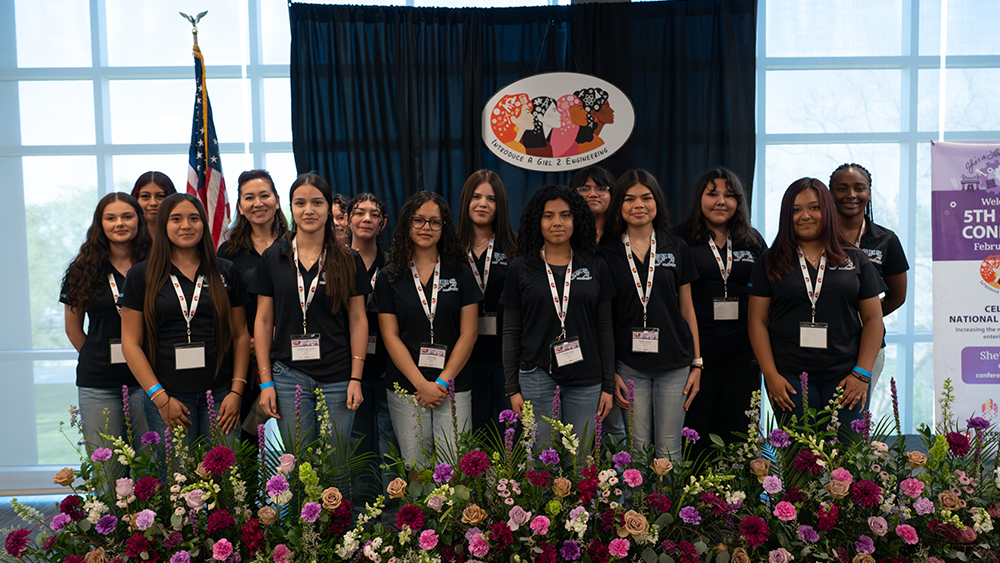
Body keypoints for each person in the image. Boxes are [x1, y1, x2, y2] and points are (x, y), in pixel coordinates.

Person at [747, 178, 884, 430]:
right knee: (801, 462)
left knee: (845, 462)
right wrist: (770, 375)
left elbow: (874, 320)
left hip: (845, 377)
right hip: (788, 378)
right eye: (796, 210)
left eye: (814, 208)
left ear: (827, 211)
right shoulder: (770, 260)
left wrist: (862, 373)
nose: (805, 216)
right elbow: (757, 320)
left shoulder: (854, 258)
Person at [119, 193, 251, 445]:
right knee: (175, 480)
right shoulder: (141, 274)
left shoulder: (225, 270)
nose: (186, 226)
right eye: (176, 219)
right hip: (169, 395)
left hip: (221, 394)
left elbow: (240, 334)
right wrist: (160, 398)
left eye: (194, 218)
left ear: (203, 223)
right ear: (163, 225)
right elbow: (131, 344)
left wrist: (236, 391)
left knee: (225, 479)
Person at [253, 173, 369, 447]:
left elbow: (358, 320)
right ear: (290, 207)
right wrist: (265, 382)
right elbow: (263, 320)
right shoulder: (273, 257)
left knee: (337, 466)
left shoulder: (349, 259)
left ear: (329, 208)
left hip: (339, 376)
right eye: (300, 203)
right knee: (300, 464)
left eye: (317, 202)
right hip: (287, 375)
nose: (309, 210)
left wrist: (356, 377)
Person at [502, 186, 615, 448]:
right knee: (540, 464)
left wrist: (608, 385)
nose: (557, 223)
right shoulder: (521, 268)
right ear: (537, 221)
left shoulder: (595, 265)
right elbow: (510, 331)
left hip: (586, 378)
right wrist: (512, 387)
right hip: (536, 375)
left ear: (576, 220)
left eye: (565, 215)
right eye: (548, 216)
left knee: (581, 461)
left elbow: (605, 328)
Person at [600, 170, 701, 461]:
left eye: (646, 197)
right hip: (629, 366)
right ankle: (637, 507)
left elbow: (687, 308)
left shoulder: (676, 247)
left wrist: (697, 362)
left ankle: (671, 508)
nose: (638, 204)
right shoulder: (606, 254)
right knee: (638, 448)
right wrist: (611, 372)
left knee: (670, 448)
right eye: (629, 199)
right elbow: (604, 320)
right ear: (619, 205)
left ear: (657, 202)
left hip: (676, 363)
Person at [375, 191, 481, 464]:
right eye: (419, 220)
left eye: (435, 222)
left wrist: (442, 382)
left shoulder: (461, 271)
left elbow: (469, 333)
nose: (426, 228)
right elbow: (390, 336)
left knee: (454, 468)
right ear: (407, 224)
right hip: (407, 385)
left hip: (453, 385)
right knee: (416, 469)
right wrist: (421, 384)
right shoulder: (389, 275)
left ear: (444, 227)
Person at [677, 169, 766, 448]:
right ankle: (697, 493)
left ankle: (740, 492)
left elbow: (768, 293)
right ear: (699, 198)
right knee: (697, 434)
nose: (721, 201)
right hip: (696, 357)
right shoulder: (680, 239)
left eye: (729, 195)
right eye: (712, 194)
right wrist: (694, 358)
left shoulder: (751, 240)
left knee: (740, 435)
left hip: (743, 356)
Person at [61, 193, 152, 451]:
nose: (119, 223)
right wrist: (99, 354)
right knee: (107, 470)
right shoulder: (83, 268)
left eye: (127, 216)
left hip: (147, 381)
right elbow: (73, 329)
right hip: (98, 383)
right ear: (99, 224)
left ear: (139, 220)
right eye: (110, 218)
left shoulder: (154, 265)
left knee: (151, 466)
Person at [217, 170, 288, 441]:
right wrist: (247, 341)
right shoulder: (228, 253)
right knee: (244, 439)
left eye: (264, 195)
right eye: (249, 198)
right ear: (240, 207)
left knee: (297, 439)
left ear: (277, 200)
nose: (258, 203)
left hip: (288, 355)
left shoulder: (295, 245)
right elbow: (224, 307)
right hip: (244, 358)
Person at [829, 163, 909, 391]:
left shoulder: (886, 240)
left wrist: (862, 318)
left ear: (869, 193)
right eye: (842, 188)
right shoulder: (816, 238)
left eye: (859, 188)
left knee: (854, 417)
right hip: (822, 344)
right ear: (830, 193)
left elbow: (897, 296)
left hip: (869, 345)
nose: (851, 194)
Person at [457, 170, 518, 434]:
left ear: (500, 205)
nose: (483, 204)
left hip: (505, 358)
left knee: (511, 435)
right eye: (476, 197)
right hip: (464, 359)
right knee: (475, 435)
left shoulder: (515, 248)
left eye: (491, 199)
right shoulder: (450, 249)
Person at [347, 192, 399, 504]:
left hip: (388, 365)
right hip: (348, 369)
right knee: (357, 442)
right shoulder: (336, 262)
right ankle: (362, 513)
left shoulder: (393, 264)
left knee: (390, 440)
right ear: (348, 219)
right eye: (359, 212)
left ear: (383, 223)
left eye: (374, 213)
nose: (366, 218)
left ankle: (394, 515)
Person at [570, 165, 615, 243]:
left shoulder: (622, 233)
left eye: (601, 189)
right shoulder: (566, 233)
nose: (593, 194)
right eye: (584, 189)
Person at [130, 171, 177, 237]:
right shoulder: (127, 238)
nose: (153, 203)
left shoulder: (182, 236)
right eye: (145, 196)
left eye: (160, 196)